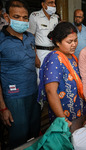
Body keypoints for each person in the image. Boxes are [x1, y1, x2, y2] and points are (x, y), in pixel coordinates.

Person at [0, 0, 40, 148]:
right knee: (19, 136)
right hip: (14, 97)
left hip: (33, 92)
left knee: (34, 131)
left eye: (25, 17)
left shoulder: (30, 37)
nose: (22, 21)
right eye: (17, 17)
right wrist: (3, 108)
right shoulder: (1, 40)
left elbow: (36, 61)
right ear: (7, 17)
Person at [37, 22, 86, 125]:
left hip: (77, 110)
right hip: (64, 115)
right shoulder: (55, 59)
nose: (74, 44)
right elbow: (51, 91)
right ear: (57, 42)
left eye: (75, 40)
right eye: (69, 42)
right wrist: (62, 118)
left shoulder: (72, 57)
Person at [27, 0, 58, 84]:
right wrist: (35, 56)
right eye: (50, 2)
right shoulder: (35, 16)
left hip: (53, 52)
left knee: (52, 78)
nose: (54, 5)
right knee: (40, 79)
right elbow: (30, 37)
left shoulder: (55, 18)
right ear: (43, 4)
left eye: (54, 3)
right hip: (40, 52)